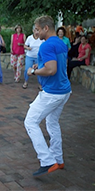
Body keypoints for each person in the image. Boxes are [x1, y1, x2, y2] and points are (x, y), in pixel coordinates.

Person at [24, 15, 71, 177]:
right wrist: (41, 65)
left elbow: (51, 70)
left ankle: (47, 160)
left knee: (30, 122)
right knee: (52, 122)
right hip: (64, 91)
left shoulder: (46, 46)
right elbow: (55, 64)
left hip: (52, 92)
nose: (35, 32)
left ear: (46, 28)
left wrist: (34, 71)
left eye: (37, 29)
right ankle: (58, 159)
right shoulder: (60, 42)